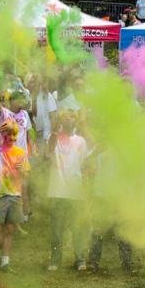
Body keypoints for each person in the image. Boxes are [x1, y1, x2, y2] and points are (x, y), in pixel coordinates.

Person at [46, 110, 89, 272]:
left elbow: (84, 166)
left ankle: (80, 259)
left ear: (75, 121)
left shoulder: (81, 141)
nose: (69, 119)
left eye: (72, 117)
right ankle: (55, 260)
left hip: (76, 191)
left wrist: (85, 190)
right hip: (57, 191)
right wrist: (55, 130)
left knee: (77, 227)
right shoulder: (53, 138)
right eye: (66, 117)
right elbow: (49, 151)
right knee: (57, 229)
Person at [0, 120, 31, 272]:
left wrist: (22, 170)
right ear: (3, 135)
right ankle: (2, 253)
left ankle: (5, 261)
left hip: (15, 195)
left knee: (10, 230)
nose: (11, 137)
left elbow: (26, 174)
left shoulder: (21, 152)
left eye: (13, 135)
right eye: (8, 134)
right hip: (0, 194)